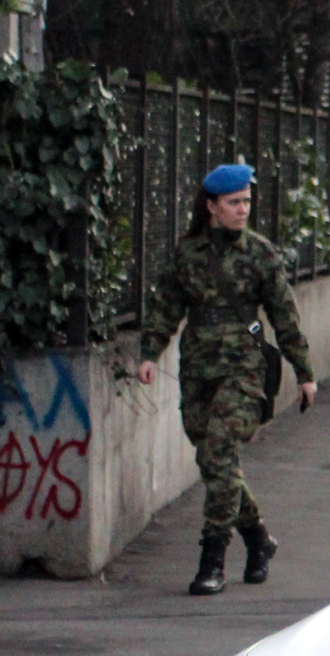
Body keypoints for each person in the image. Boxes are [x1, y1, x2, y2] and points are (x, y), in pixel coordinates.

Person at [135, 163, 318, 595]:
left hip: (244, 368)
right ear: (212, 207)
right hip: (199, 367)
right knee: (214, 460)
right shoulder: (189, 254)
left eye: (247, 202)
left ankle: (212, 559)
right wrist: (149, 352)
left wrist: (304, 371)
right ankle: (258, 539)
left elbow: (284, 315)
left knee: (218, 454)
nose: (242, 210)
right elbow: (167, 306)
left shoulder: (260, 254)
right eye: (234, 203)